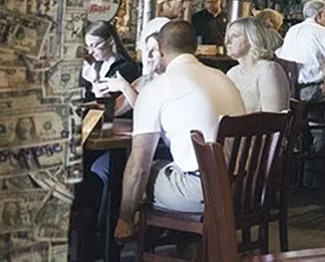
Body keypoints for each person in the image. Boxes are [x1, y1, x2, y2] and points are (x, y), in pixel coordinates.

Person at [115, 20, 244, 239]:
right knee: (165, 169)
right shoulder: (224, 78)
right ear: (194, 47)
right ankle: (185, 243)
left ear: (161, 50)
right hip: (244, 186)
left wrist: (125, 216)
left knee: (136, 174)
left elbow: (138, 167)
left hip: (203, 191)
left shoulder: (158, 88)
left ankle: (123, 235)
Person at [78, 17, 169, 258]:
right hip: (127, 145)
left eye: (153, 52)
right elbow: (111, 108)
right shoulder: (143, 78)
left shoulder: (130, 70)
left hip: (152, 152)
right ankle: (92, 242)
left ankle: (107, 242)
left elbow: (135, 111)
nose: (147, 58)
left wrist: (117, 85)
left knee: (106, 173)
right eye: (145, 51)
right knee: (89, 170)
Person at [96, 17, 171, 117]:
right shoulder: (144, 80)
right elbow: (112, 112)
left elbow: (148, 114)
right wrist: (100, 91)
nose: (148, 56)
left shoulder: (172, 80)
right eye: (146, 49)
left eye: (153, 50)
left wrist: (125, 87)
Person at [225, 17, 290, 112]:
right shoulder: (232, 73)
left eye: (235, 36)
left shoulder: (268, 70)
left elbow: (274, 119)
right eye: (227, 37)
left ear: (252, 38)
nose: (227, 42)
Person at [81, 21, 141, 102]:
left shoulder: (127, 68)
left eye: (95, 45)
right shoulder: (94, 66)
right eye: (88, 47)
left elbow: (113, 106)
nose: (90, 52)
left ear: (110, 41)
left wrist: (94, 82)